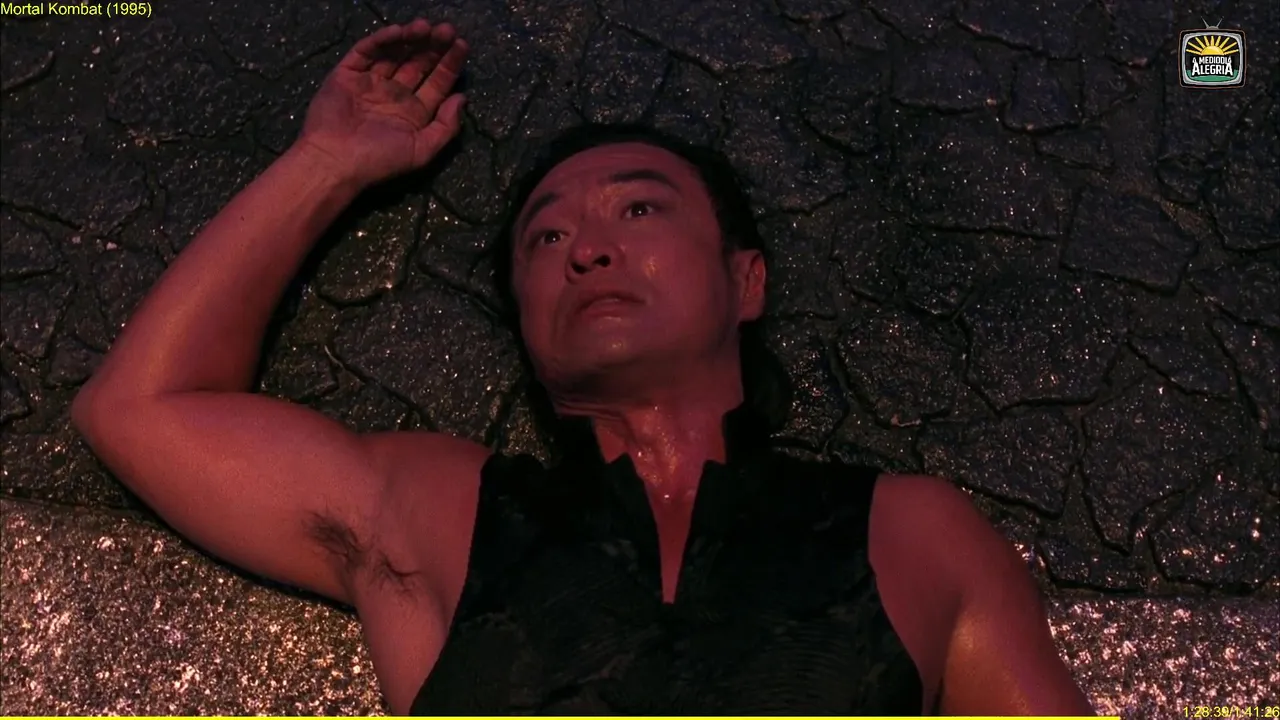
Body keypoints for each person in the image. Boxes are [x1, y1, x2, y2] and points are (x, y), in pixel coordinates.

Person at [70, 17, 1097, 716]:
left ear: (745, 280)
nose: (589, 249)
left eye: (640, 209)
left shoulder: (913, 533)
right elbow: (141, 408)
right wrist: (327, 164)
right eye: (547, 238)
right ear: (524, 321)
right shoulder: (441, 511)